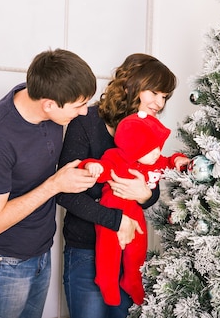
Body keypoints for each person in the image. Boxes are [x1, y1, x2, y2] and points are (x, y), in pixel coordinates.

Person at [0, 48, 99, 318]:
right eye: (78, 105)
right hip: (3, 264)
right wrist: (55, 184)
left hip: (40, 253)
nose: (85, 112)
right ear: (49, 104)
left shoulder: (41, 101)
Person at [57, 53, 180, 318]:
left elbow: (151, 177)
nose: (160, 103)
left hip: (129, 252)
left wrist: (147, 195)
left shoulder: (148, 128)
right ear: (130, 86)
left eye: (165, 97)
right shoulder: (86, 122)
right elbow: (65, 193)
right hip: (87, 251)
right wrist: (116, 220)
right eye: (155, 93)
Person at [80, 110, 189, 306]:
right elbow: (101, 168)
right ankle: (106, 280)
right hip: (111, 211)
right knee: (108, 250)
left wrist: (178, 160)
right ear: (133, 148)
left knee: (138, 250)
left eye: (158, 147)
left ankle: (132, 279)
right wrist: (91, 167)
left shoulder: (154, 162)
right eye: (151, 149)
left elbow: (170, 162)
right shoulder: (116, 158)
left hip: (135, 213)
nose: (157, 153)